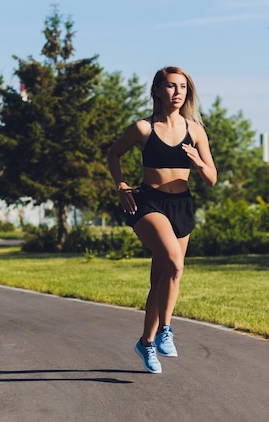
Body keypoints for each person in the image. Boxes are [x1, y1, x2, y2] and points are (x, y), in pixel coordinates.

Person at [106, 66, 217, 373]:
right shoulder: (143, 128)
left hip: (181, 204)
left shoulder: (195, 131)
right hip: (148, 202)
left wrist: (197, 161)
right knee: (174, 261)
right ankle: (167, 329)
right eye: (170, 86)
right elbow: (113, 154)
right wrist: (121, 185)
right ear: (157, 91)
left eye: (182, 87)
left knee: (163, 278)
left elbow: (211, 178)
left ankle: (146, 342)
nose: (177, 92)